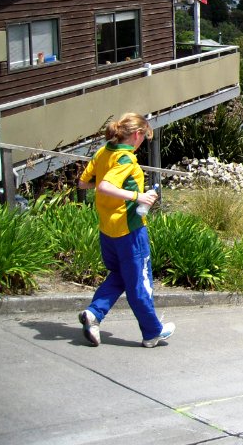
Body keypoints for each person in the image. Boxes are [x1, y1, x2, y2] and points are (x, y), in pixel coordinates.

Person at [77, 113, 174, 348]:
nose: (143, 143)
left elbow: (84, 182)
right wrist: (138, 196)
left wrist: (116, 191)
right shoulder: (125, 159)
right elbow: (105, 186)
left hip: (107, 229)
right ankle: (152, 332)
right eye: (145, 138)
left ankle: (94, 313)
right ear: (137, 135)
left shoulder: (104, 152)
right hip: (129, 230)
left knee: (121, 275)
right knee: (140, 282)